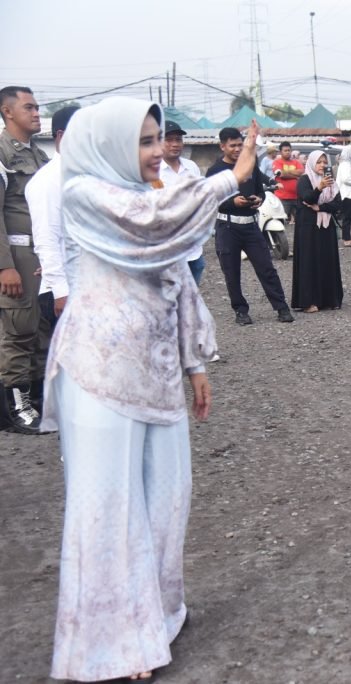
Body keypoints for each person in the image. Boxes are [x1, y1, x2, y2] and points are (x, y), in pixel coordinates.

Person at [45, 97, 256, 683]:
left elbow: (177, 277)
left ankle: (155, 616)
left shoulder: (147, 195)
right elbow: (155, 225)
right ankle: (110, 642)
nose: (157, 150)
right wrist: (225, 180)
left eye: (157, 138)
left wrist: (195, 364)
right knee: (109, 508)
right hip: (99, 376)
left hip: (158, 373)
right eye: (143, 140)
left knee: (167, 497)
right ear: (105, 144)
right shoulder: (83, 193)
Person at [0, 85, 50, 433]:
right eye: (29, 107)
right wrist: (5, 265)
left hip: (38, 250)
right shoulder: (3, 153)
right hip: (15, 252)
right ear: (8, 112)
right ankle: (17, 409)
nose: (36, 113)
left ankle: (40, 401)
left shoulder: (38, 156)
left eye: (36, 107)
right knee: (18, 330)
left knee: (40, 329)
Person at [207, 127, 294, 325]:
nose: (237, 149)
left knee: (267, 268)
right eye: (233, 145)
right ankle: (240, 311)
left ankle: (281, 307)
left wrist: (259, 199)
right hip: (227, 227)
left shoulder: (250, 165)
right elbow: (211, 199)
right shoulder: (215, 171)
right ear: (223, 147)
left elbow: (260, 191)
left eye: (240, 144)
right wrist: (232, 203)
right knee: (232, 272)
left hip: (251, 226)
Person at [26, 105, 78, 337]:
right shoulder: (48, 181)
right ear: (61, 136)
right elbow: (46, 238)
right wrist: (60, 291)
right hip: (67, 292)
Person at [291, 150, 344, 312]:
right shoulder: (304, 179)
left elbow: (338, 204)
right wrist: (319, 189)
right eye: (319, 162)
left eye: (324, 162)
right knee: (309, 261)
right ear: (312, 163)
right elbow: (307, 198)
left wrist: (320, 207)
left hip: (326, 227)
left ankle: (329, 299)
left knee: (327, 260)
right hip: (308, 228)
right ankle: (308, 301)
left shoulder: (331, 182)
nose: (322, 165)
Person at [159, 120, 206, 283]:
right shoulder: (152, 170)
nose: (175, 144)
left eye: (178, 139)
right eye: (169, 139)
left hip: (192, 248)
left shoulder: (191, 167)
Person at [272, 141, 303, 224]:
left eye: (289, 150)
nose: (288, 152)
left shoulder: (296, 162)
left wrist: (287, 173)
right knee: (281, 222)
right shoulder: (277, 162)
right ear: (280, 152)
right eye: (285, 150)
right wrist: (295, 175)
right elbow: (281, 174)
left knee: (300, 221)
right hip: (282, 197)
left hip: (296, 197)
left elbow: (301, 172)